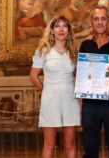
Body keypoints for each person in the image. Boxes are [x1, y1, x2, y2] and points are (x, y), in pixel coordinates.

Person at [29, 16, 80, 158]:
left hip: (70, 100)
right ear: (52, 31)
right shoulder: (43, 51)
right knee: (49, 145)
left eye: (65, 26)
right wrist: (45, 89)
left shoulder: (74, 53)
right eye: (57, 26)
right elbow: (33, 77)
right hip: (50, 101)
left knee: (70, 144)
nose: (61, 29)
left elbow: (81, 76)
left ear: (69, 31)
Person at [79, 6, 109, 158]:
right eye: (96, 19)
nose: (99, 22)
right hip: (89, 105)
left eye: (103, 18)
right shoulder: (86, 44)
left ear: (108, 21)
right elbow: (82, 72)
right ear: (91, 22)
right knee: (90, 149)